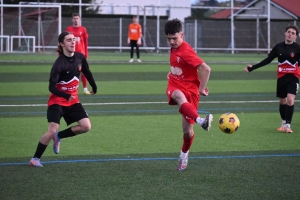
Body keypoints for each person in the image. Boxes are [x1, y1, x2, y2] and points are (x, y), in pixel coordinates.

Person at [29, 31, 97, 167]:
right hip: (57, 101)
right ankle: (35, 159)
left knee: (86, 126)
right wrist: (66, 95)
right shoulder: (59, 64)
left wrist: (94, 86)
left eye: (73, 39)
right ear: (61, 44)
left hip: (73, 101)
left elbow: (87, 72)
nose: (73, 42)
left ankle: (59, 137)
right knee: (51, 130)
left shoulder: (80, 58)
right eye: (68, 40)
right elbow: (51, 87)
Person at [164, 19, 213, 171]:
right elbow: (179, 64)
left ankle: (184, 155)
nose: (172, 42)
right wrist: (172, 71)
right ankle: (201, 120)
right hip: (175, 84)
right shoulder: (175, 47)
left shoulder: (185, 50)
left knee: (187, 131)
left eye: (174, 38)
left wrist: (201, 89)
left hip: (191, 90)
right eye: (169, 39)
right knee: (178, 96)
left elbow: (206, 69)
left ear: (182, 35)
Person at [244, 25, 300, 133]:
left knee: (290, 99)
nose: (290, 34)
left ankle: (288, 125)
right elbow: (268, 60)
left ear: (295, 37)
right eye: (289, 32)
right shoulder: (278, 47)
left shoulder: (298, 48)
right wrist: (253, 68)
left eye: (293, 33)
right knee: (282, 101)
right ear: (285, 33)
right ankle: (283, 122)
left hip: (293, 77)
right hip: (281, 77)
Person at [66, 13, 91, 95]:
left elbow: (85, 42)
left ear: (79, 19)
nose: (76, 20)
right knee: (71, 72)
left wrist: (86, 54)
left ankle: (85, 89)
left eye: (77, 18)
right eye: (74, 18)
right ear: (72, 19)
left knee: (83, 71)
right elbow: (65, 42)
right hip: (71, 54)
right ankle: (70, 89)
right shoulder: (68, 29)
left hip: (81, 54)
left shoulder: (83, 29)